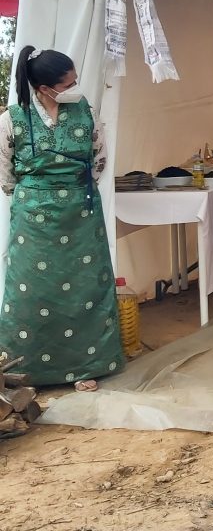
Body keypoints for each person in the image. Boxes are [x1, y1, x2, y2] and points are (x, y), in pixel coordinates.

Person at [0, 47, 123, 390]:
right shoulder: (12, 119)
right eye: (68, 84)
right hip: (32, 218)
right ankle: (27, 369)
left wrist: (73, 188)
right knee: (30, 292)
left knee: (84, 288)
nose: (74, 88)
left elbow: (99, 157)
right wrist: (37, 193)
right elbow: (5, 173)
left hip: (80, 213)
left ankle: (85, 366)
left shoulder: (85, 111)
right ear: (44, 88)